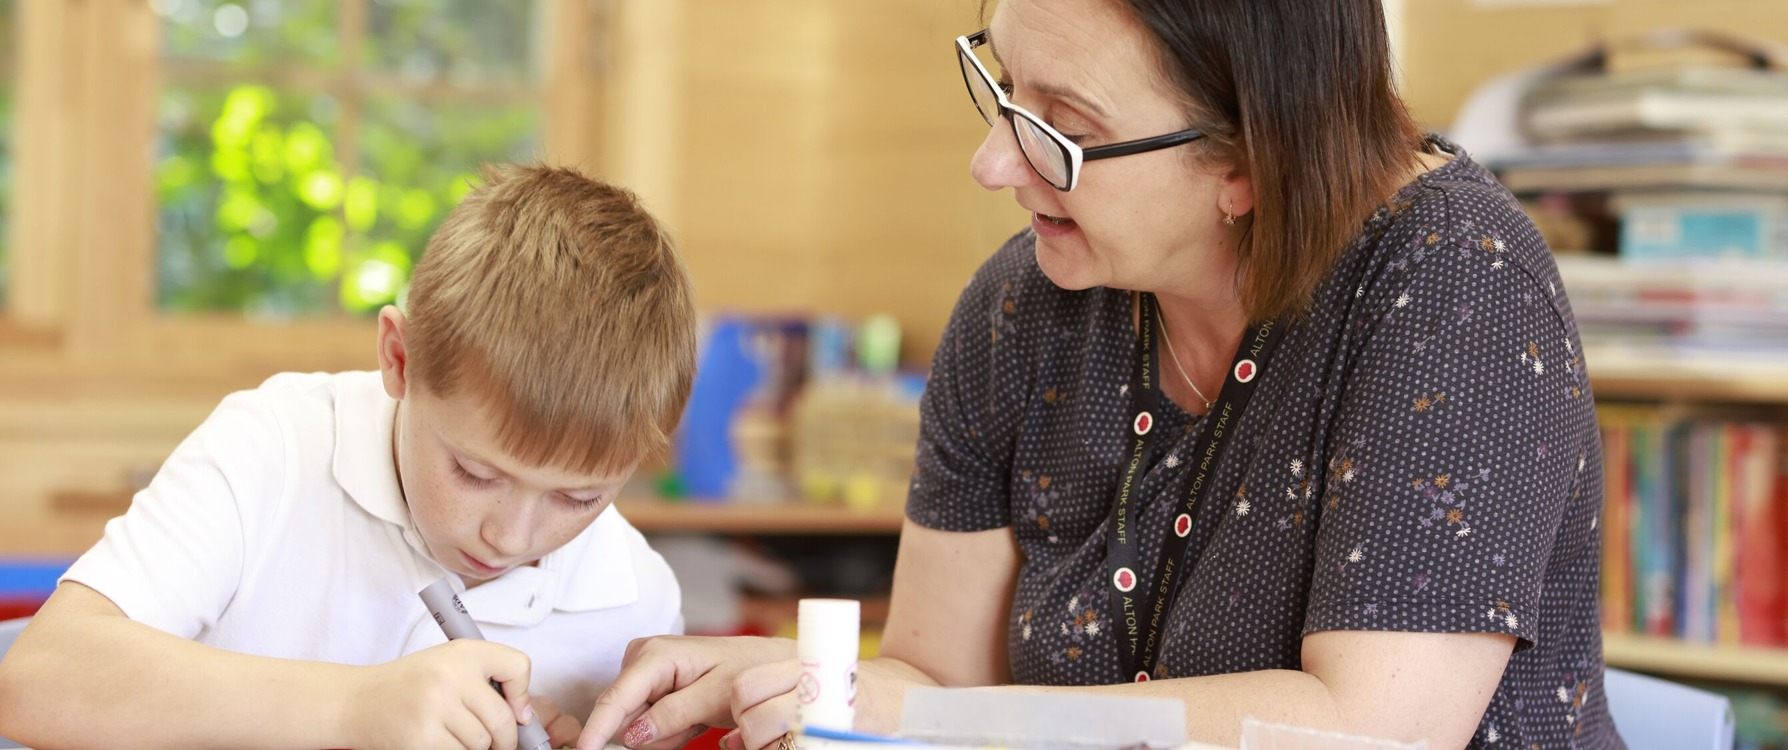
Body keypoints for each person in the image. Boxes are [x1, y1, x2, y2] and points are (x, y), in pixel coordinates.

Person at [580, 0, 1618, 748]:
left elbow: (1368, 732)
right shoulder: (1022, 304)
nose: (994, 163)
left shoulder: (1455, 283)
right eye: (1001, 87)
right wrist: (804, 685)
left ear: (1247, 162)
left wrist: (927, 714)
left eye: (1063, 132)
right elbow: (935, 679)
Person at [0, 164, 699, 750]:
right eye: (475, 473)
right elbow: (36, 680)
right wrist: (355, 707)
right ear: (399, 359)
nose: (510, 538)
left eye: (578, 498)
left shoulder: (637, 602)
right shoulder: (273, 447)